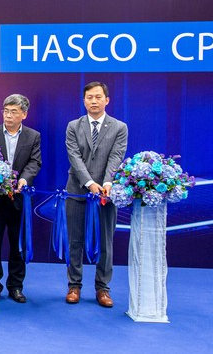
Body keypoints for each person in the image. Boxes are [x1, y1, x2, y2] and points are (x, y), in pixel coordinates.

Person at [65, 81, 128, 308]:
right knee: (75, 241)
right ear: (84, 101)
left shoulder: (119, 127)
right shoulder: (73, 126)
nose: (94, 101)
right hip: (77, 190)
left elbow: (116, 156)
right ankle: (74, 285)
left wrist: (107, 182)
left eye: (98, 97)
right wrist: (89, 182)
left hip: (106, 193)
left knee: (105, 242)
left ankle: (103, 288)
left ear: (107, 100)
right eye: (89, 97)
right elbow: (74, 156)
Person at [0, 94, 42, 303]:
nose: (8, 115)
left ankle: (16, 286)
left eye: (13, 112)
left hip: (19, 199)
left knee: (18, 244)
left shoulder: (33, 136)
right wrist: (1, 182)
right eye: (6, 111)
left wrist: (24, 179)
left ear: (24, 114)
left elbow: (35, 162)